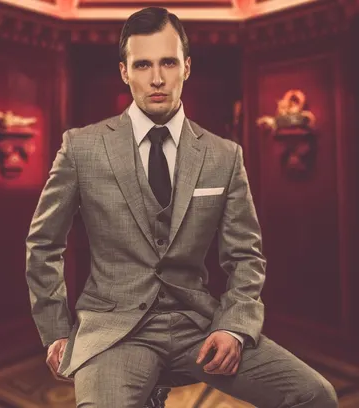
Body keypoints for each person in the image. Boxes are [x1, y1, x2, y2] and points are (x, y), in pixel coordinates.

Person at [24, 6, 338, 407]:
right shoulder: (82, 147)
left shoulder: (224, 155)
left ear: (186, 67)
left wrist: (235, 328)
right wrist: (55, 331)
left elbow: (245, 256)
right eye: (143, 65)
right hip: (113, 331)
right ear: (125, 71)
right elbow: (43, 244)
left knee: (316, 395)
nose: (157, 78)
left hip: (199, 326)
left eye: (168, 62)